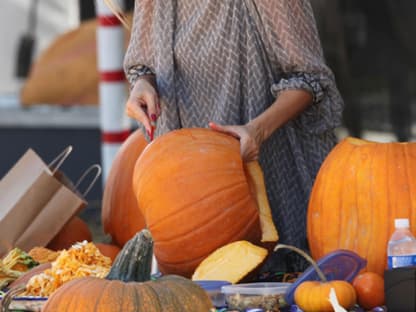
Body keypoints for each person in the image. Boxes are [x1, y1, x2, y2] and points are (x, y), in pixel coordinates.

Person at [109, 0, 343, 257]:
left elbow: (310, 79)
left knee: (275, 280)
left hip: (270, 174)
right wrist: (142, 85)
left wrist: (258, 131)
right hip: (187, 184)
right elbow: (143, 67)